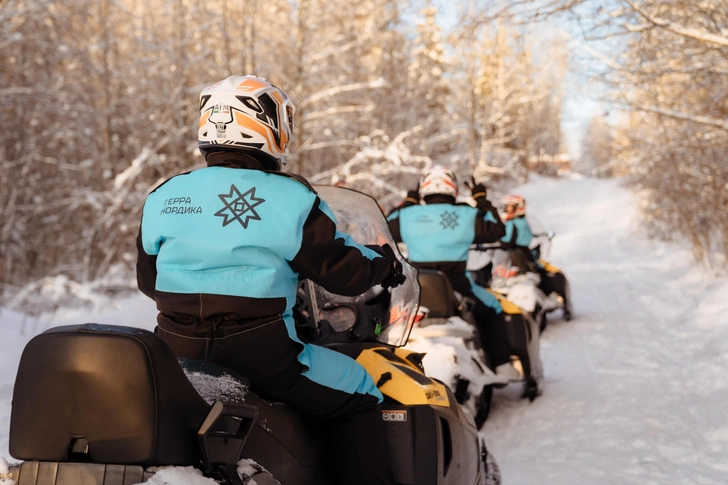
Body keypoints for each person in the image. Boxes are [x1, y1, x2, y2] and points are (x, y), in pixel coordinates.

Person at [136, 75, 404, 485]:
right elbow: (346, 273)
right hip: (265, 358)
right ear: (269, 127)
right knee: (361, 389)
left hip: (176, 353)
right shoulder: (290, 198)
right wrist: (384, 261)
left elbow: (149, 280)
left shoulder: (165, 194)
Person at [386, 165, 518, 378]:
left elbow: (384, 227)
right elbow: (497, 229)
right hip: (459, 287)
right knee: (493, 308)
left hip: (417, 291)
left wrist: (408, 203)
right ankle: (502, 365)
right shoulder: (467, 213)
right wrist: (481, 199)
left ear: (423, 189)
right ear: (453, 188)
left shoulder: (407, 215)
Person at [500, 194, 558, 301]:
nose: (507, 210)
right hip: (525, 252)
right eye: (506, 207)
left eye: (510, 207)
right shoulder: (523, 221)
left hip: (516, 253)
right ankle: (551, 293)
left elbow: (508, 240)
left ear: (518, 207)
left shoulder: (512, 223)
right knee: (540, 271)